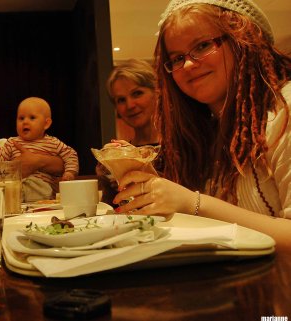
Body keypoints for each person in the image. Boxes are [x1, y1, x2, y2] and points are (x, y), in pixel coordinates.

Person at [112, 0, 291, 251]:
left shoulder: (285, 109)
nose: (187, 65)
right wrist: (156, 194)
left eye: (203, 45)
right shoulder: (204, 132)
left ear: (244, 40)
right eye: (176, 58)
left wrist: (194, 203)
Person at [96, 59, 160, 204]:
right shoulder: (120, 154)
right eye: (121, 100)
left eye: (137, 93)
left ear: (156, 93)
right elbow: (115, 210)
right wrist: (107, 181)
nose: (130, 105)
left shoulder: (182, 145)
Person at [0, 97, 79, 201]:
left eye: (32, 118)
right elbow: (0, 164)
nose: (25, 122)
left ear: (46, 124)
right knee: (5, 190)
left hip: (41, 188)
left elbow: (71, 154)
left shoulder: (53, 142)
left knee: (41, 188)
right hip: (17, 187)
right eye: (21, 118)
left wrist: (70, 173)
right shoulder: (12, 142)